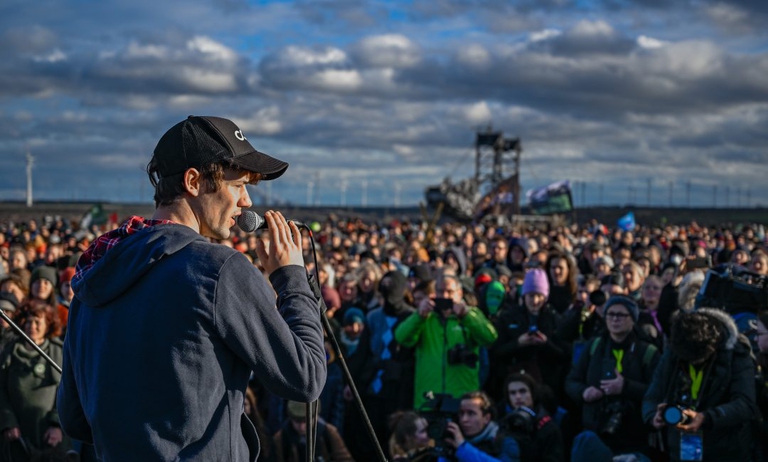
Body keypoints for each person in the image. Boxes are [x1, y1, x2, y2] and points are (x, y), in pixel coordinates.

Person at [56, 115, 327, 461]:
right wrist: (291, 277)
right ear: (194, 181)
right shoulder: (218, 270)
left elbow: (74, 419)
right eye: (238, 185)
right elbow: (305, 378)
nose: (246, 202)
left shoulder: (95, 269)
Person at [642, 308, 757, 461]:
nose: (690, 361)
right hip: (679, 449)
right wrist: (653, 415)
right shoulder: (676, 349)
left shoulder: (736, 354)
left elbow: (745, 404)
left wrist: (706, 418)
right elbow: (652, 395)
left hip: (724, 450)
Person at [566, 295, 659, 460]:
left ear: (633, 319)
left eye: (621, 315)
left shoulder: (647, 352)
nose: (615, 319)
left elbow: (657, 392)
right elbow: (572, 381)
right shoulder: (594, 347)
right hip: (596, 430)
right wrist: (584, 391)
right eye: (611, 314)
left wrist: (626, 387)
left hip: (634, 438)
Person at [395, 273, 497, 409]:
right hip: (429, 399)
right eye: (440, 291)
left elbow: (490, 337)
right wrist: (418, 316)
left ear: (459, 293)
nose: (445, 296)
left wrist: (466, 316)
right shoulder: (425, 317)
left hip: (462, 400)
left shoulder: (471, 315)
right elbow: (401, 337)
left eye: (449, 292)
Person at [0, 301, 66, 454]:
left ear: (48, 325)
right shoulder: (9, 351)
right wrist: (8, 421)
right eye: (29, 321)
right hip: (16, 435)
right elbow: (1, 389)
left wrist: (56, 425)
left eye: (37, 321)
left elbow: (65, 391)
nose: (32, 326)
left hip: (47, 435)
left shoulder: (57, 351)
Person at [499, 373, 564, 462]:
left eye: (523, 391)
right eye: (513, 393)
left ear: (532, 393)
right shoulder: (503, 424)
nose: (518, 397)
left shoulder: (548, 428)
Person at [442, 391, 520, 462]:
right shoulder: (453, 440)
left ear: (486, 418)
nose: (464, 419)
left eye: (471, 413)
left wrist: (463, 447)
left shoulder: (504, 442)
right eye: (461, 413)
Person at [272, 401, 354, 462]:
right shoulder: (281, 438)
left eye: (305, 422)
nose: (302, 427)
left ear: (316, 418)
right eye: (297, 422)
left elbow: (344, 459)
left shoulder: (328, 432)